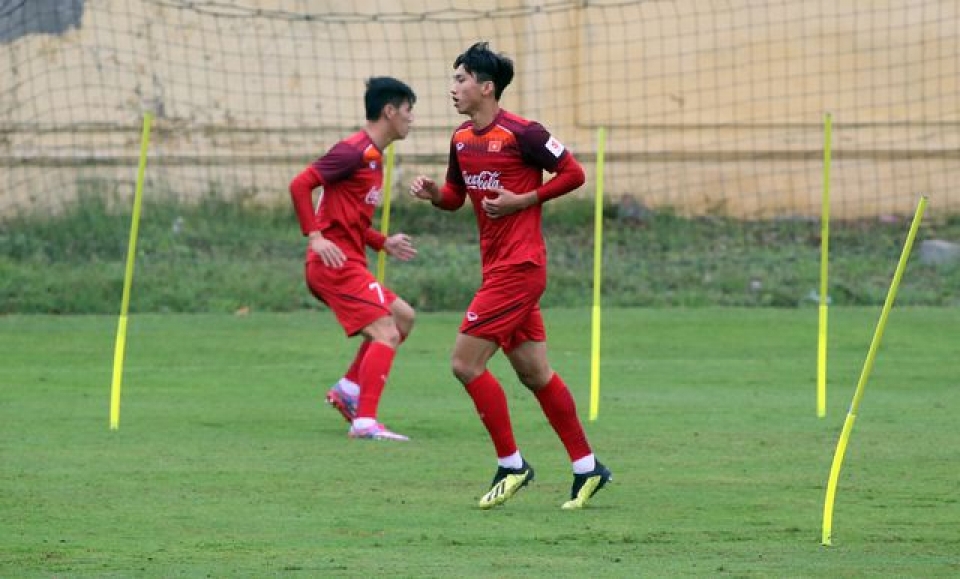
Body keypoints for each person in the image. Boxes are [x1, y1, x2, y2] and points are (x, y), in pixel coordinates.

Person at [409, 42, 612, 508]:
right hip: (498, 268)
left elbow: (574, 172)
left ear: (486, 87)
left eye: (460, 79)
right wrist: (432, 193)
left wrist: (524, 200)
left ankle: (512, 464)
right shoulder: (462, 139)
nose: (452, 88)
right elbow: (456, 197)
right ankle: (588, 467)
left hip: (520, 268)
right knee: (535, 373)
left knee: (464, 363)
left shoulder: (524, 133)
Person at [289, 76, 418, 441]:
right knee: (386, 332)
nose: (412, 119)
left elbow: (347, 219)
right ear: (389, 111)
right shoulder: (352, 151)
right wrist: (314, 237)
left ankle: (349, 388)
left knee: (403, 318)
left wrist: (382, 242)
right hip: (333, 265)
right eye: (409, 111)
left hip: (349, 261)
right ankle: (365, 422)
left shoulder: (375, 159)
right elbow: (300, 184)